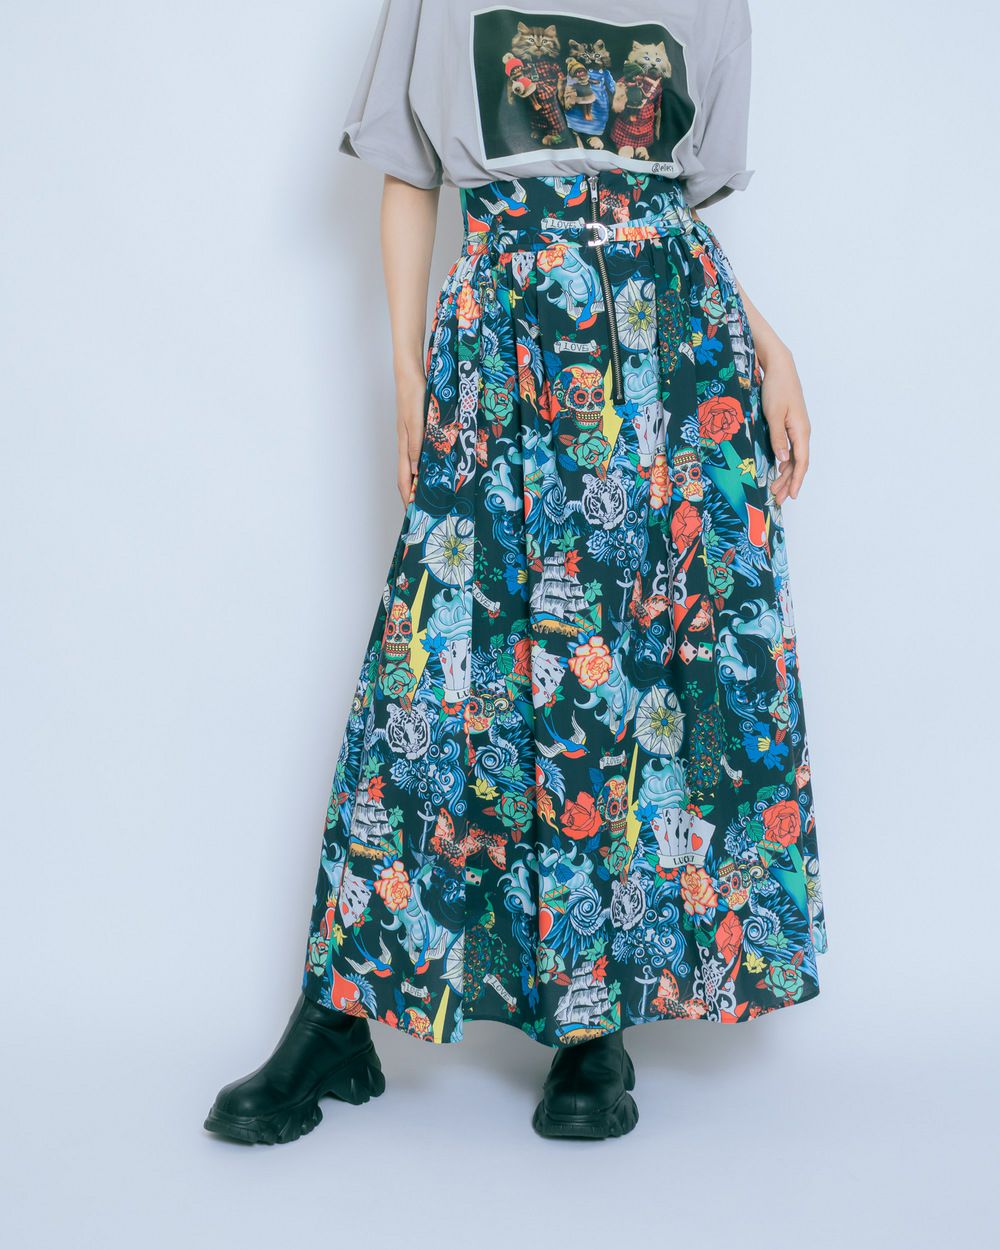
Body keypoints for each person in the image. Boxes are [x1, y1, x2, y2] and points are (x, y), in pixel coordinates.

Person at [205, 0, 827, 1145]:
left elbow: (665, 208)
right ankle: (337, 1014)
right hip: (504, 341)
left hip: (668, 355)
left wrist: (768, 344)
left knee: (632, 675)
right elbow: (411, 169)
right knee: (434, 664)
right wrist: (405, 368)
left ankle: (594, 1028)